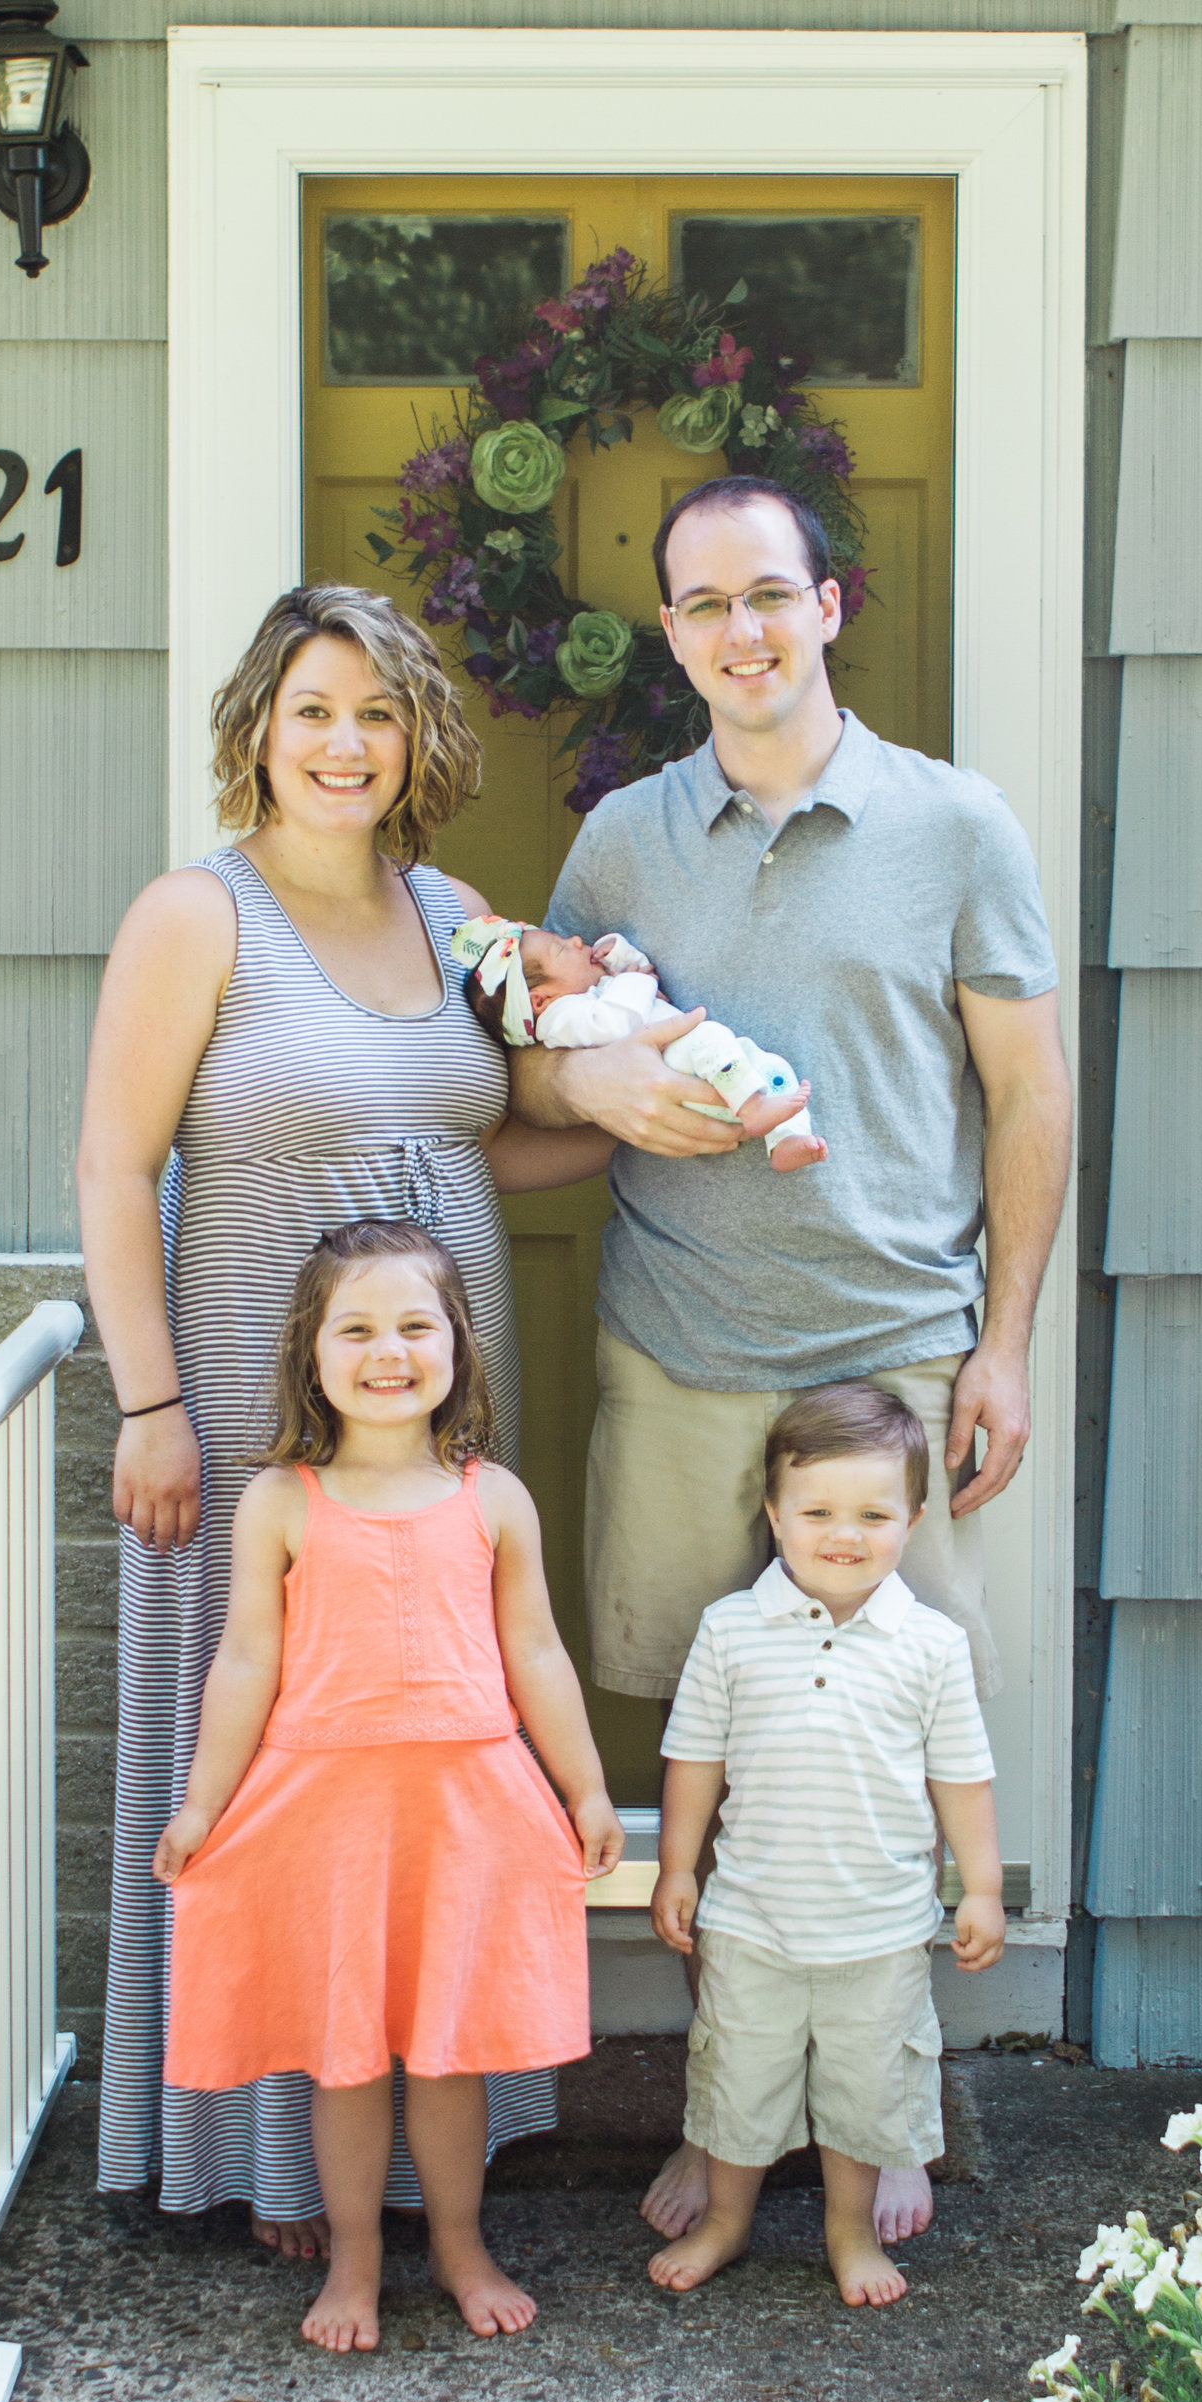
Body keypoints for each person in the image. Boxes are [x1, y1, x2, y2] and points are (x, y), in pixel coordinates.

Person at [508, 475, 1074, 2254]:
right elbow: (540, 1066)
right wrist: (599, 1088)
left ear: (830, 605)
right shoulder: (620, 843)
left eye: (770, 594)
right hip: (681, 1354)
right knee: (713, 1748)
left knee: (893, 1753)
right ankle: (728, 2108)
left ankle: (877, 2112)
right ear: (670, 634)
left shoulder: (956, 826)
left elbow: (1029, 1095)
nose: (740, 631)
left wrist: (1006, 1342)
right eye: (702, 605)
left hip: (893, 1362)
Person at [77, 584, 610, 2257]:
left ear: (414, 741)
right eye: (313, 708)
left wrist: (633, 1120)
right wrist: (151, 1403)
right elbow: (114, 1167)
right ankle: (268, 2164)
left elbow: (479, 1137)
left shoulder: (448, 907)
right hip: (251, 1403)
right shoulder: (196, 916)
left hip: (438, 1419)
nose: (343, 743)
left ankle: (439, 2132)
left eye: (374, 712)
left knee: (437, 1755)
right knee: (271, 1772)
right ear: (257, 727)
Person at [155, 1220, 623, 2350]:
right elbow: (247, 1663)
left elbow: (538, 1655)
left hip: (463, 1813)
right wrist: (203, 1804)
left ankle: (460, 2243)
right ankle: (356, 2257)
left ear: (456, 1346)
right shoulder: (281, 1499)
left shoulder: (492, 1497)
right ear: (310, 1352)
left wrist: (588, 1789)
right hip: (327, 1819)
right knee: (349, 2056)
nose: (388, 1351)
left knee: (451, 2052)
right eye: (355, 1327)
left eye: (416, 1325)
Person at [646, 1382, 1005, 2308]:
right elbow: (694, 1759)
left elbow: (961, 1777)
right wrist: (678, 1866)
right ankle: (729, 2221)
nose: (844, 1535)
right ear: (774, 1514)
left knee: (861, 2093)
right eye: (817, 1512)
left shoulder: (930, 1646)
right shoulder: (732, 1631)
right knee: (737, 2082)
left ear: (914, 1520)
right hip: (752, 1921)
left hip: (878, 1932)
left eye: (874, 1514)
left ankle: (847, 2233)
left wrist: (982, 1888)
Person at [450, 912, 824, 1171]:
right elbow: (618, 1022)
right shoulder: (560, 1021)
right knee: (712, 1036)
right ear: (539, 1001)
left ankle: (786, 1140)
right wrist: (636, 979)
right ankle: (752, 1106)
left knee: (773, 1068)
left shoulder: (591, 993)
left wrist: (617, 955)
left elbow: (639, 975)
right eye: (562, 949)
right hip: (677, 1064)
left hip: (701, 1061)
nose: (576, 940)